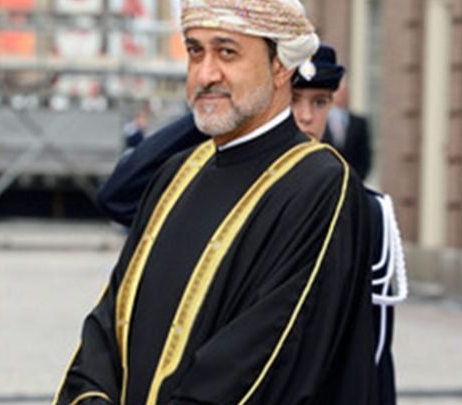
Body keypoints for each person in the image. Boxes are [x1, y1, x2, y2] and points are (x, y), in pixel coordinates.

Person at [54, 1, 377, 404]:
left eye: (227, 52)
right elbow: (109, 324)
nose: (206, 74)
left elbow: (264, 359)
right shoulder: (176, 173)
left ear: (280, 66)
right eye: (195, 51)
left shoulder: (319, 184)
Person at [323, 76, 373, 181]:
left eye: (344, 92)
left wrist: (356, 180)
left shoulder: (359, 122)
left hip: (353, 180)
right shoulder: (321, 120)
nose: (341, 95)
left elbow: (365, 156)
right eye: (338, 92)